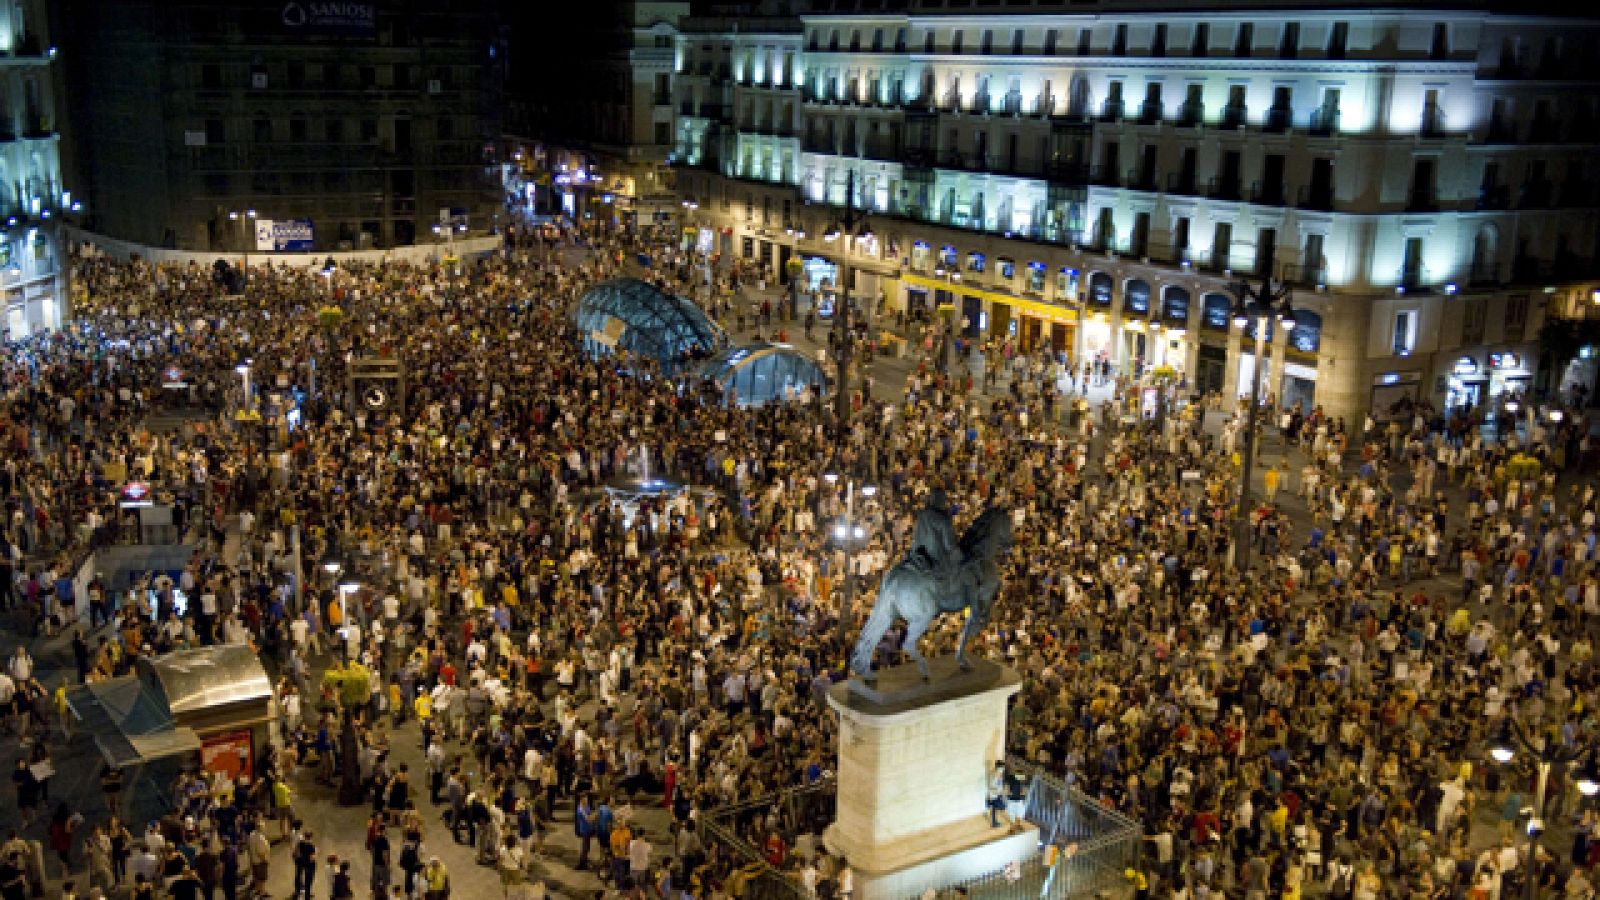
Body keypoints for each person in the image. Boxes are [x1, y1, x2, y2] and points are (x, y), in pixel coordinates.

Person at [292, 830, 317, 900]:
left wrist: (299, 858)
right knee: (308, 881)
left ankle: (298, 891)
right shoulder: (312, 846)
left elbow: (296, 852)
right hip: (309, 865)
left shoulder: (300, 843)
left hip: (302, 862)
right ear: (311, 837)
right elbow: (312, 858)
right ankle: (307, 896)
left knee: (299, 876)